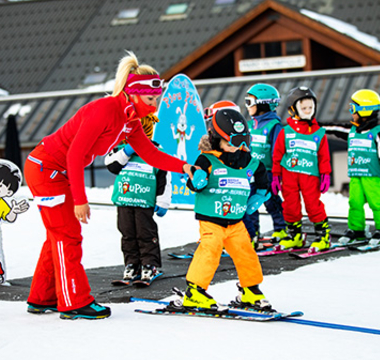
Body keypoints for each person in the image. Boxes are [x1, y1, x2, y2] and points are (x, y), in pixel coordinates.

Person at [24, 51, 196, 320]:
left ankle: (42, 297)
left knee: (58, 234)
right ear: (134, 93)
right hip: (46, 169)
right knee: (67, 234)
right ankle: (74, 303)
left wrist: (184, 166)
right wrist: (81, 199)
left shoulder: (130, 121)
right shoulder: (104, 110)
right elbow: (74, 154)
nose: (154, 106)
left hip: (60, 172)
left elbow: (150, 153)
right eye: (151, 99)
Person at [172, 108, 272, 313]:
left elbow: (261, 172)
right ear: (216, 139)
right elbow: (194, 180)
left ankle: (250, 290)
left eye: (238, 144)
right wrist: (197, 182)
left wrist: (261, 194)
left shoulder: (247, 160)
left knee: (247, 254)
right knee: (210, 251)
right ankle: (195, 292)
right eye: (228, 144)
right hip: (211, 220)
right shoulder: (207, 160)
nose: (234, 149)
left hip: (236, 222)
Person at [323, 89, 380, 246]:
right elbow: (335, 129)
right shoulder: (352, 130)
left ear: (364, 110)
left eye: (353, 108)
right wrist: (316, 127)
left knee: (376, 202)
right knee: (354, 202)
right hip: (356, 174)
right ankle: (357, 230)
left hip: (372, 175)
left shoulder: (378, 132)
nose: (351, 112)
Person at [105, 116, 170, 283]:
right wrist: (127, 151)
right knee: (127, 233)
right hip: (125, 199)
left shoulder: (156, 150)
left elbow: (164, 176)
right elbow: (111, 165)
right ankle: (132, 264)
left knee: (145, 233)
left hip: (144, 200)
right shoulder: (121, 149)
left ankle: (150, 265)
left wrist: (163, 201)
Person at [272, 87, 332, 253]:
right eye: (304, 108)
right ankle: (295, 236)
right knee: (290, 206)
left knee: (313, 205)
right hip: (289, 174)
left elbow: (323, 156)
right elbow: (278, 155)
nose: (307, 111)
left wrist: (325, 174)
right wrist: (276, 176)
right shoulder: (286, 132)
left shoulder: (318, 133)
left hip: (310, 175)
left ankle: (323, 236)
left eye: (310, 108)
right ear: (294, 109)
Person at [241, 84, 286, 248]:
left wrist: (276, 175)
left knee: (270, 200)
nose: (248, 106)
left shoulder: (274, 126)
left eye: (250, 102)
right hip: (251, 171)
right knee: (250, 201)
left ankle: (282, 228)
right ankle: (253, 232)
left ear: (263, 103)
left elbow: (277, 152)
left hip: (267, 172)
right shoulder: (250, 125)